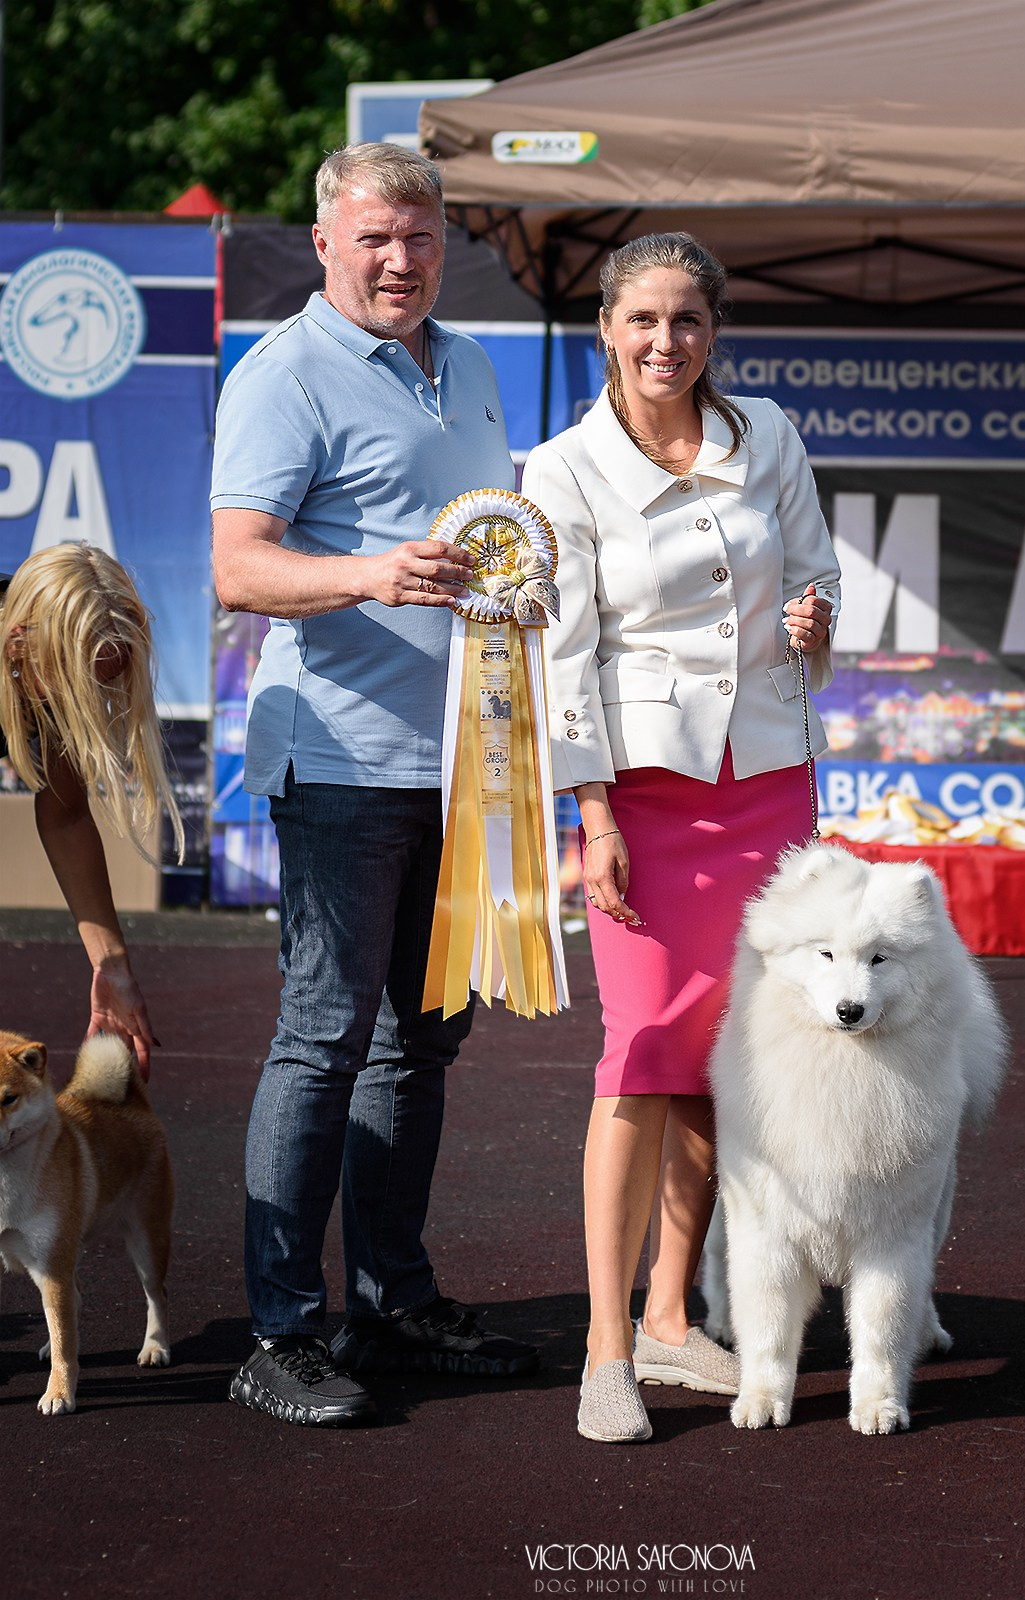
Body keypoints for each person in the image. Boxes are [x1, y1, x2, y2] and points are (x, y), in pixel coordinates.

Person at [210, 142, 538, 1429]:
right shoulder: (281, 372)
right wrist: (366, 573)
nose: (399, 259)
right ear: (325, 241)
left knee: (422, 1042)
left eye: (418, 235)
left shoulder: (471, 363)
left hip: (460, 761)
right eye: (373, 238)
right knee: (322, 1040)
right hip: (342, 759)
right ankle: (276, 1332)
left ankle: (389, 1303)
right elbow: (239, 568)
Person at [521, 232, 841, 1443]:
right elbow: (563, 658)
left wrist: (810, 621)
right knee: (639, 1051)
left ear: (716, 331)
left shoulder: (770, 437)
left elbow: (814, 585)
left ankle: (670, 1314)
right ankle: (607, 1351)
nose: (666, 343)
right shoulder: (559, 470)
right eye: (642, 320)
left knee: (724, 1054)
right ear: (605, 326)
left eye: (688, 322)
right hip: (642, 799)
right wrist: (591, 814)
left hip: (767, 782)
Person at [0, 543, 183, 1077]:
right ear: (17, 649)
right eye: (78, 689)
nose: (90, 704)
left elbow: (65, 815)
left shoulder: (40, 648)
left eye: (104, 685)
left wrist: (113, 966)